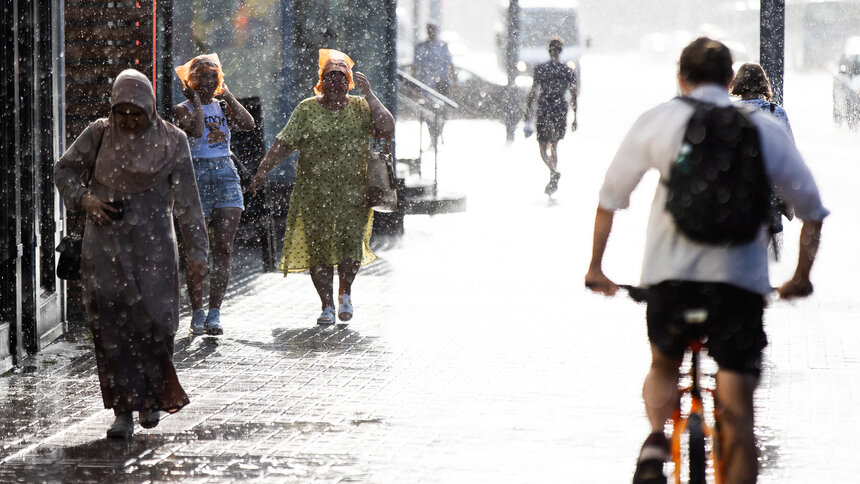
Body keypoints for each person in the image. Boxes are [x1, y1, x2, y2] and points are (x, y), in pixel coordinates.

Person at [583, 38, 828, 484]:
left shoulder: (659, 121)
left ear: (681, 76)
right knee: (738, 411)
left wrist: (596, 268)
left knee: (663, 364)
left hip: (669, 279)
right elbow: (811, 211)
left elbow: (609, 199)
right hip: (738, 285)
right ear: (730, 79)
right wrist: (799, 277)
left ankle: (656, 440)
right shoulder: (764, 127)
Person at [54, 69, 209, 440]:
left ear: (151, 108)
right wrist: (85, 199)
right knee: (112, 329)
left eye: (136, 112)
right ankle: (122, 411)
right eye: (121, 112)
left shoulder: (173, 142)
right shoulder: (100, 134)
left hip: (155, 249)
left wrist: (199, 253)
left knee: (158, 323)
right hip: (104, 250)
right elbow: (64, 170)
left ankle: (152, 396)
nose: (129, 120)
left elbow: (188, 203)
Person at [249, 49, 395, 326]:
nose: (337, 82)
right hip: (314, 192)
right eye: (331, 76)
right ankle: (327, 305)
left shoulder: (361, 107)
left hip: (354, 193)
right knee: (319, 249)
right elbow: (284, 143)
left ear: (350, 81)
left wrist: (370, 95)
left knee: (350, 246)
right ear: (321, 81)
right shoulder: (306, 108)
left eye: (342, 76)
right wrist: (263, 170)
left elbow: (387, 127)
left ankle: (346, 294)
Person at [173, 53, 256, 336]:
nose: (208, 82)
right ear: (190, 82)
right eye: (201, 77)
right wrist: (197, 102)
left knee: (223, 247)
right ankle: (196, 311)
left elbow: (249, 124)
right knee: (198, 250)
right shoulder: (181, 109)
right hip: (195, 175)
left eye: (213, 77)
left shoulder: (223, 105)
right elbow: (196, 132)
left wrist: (229, 97)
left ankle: (215, 313)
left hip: (225, 173)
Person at [731, 62, 796, 254]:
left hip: (734, 195)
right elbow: (790, 157)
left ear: (737, 83)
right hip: (768, 197)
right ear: (764, 84)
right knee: (771, 256)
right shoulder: (776, 113)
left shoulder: (727, 113)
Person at [524, 36, 578, 196]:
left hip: (544, 109)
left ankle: (553, 171)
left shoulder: (541, 69)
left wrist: (527, 111)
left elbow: (533, 91)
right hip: (560, 109)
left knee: (542, 148)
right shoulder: (567, 71)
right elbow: (574, 95)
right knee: (554, 145)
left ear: (549, 51)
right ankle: (553, 174)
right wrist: (576, 116)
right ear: (561, 51)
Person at [412, 22, 457, 144]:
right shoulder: (421, 47)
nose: (432, 32)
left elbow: (451, 66)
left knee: (444, 111)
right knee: (429, 112)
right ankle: (434, 136)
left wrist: (454, 83)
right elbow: (415, 67)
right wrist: (413, 86)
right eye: (430, 30)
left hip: (442, 83)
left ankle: (438, 133)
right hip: (426, 85)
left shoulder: (443, 46)